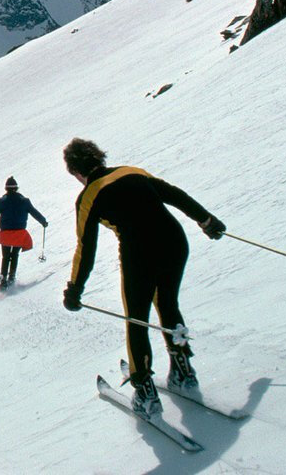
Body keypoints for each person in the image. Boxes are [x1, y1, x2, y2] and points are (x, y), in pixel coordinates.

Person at [60, 138, 226, 420]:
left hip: (140, 255)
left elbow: (85, 248)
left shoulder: (89, 195)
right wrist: (206, 220)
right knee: (168, 303)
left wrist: (75, 289)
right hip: (174, 243)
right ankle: (183, 370)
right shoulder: (131, 171)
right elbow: (176, 195)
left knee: (136, 319)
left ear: (76, 171)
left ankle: (145, 393)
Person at [0, 176, 48, 291]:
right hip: (19, 234)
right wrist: (43, 221)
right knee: (14, 255)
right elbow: (34, 212)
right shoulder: (25, 201)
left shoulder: (0, 202)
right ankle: (12, 277)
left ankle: (3, 281)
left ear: (6, 189)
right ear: (16, 188)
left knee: (5, 257)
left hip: (6, 235)